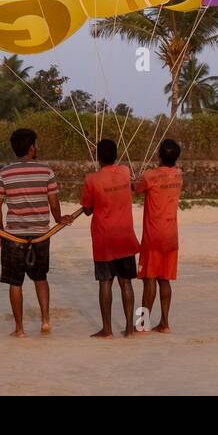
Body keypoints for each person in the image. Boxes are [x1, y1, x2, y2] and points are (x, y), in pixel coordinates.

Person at [0, 127, 69, 337]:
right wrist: (59, 219)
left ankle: (19, 329)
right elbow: (54, 202)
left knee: (15, 283)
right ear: (31, 147)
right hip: (41, 235)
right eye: (35, 144)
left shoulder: (4, 173)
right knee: (40, 278)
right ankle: (45, 321)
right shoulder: (46, 172)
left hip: (14, 235)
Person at [80, 138, 141, 338]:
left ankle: (107, 329)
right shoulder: (124, 172)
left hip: (104, 238)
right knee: (126, 282)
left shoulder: (91, 180)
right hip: (124, 235)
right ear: (116, 155)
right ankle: (130, 328)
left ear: (98, 157)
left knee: (105, 282)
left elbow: (87, 210)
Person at [134, 138, 182, 333]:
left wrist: (136, 180)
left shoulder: (150, 176)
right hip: (171, 235)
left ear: (159, 155)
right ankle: (164, 323)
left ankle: (142, 323)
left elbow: (136, 189)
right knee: (165, 279)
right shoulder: (179, 175)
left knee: (149, 278)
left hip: (153, 235)